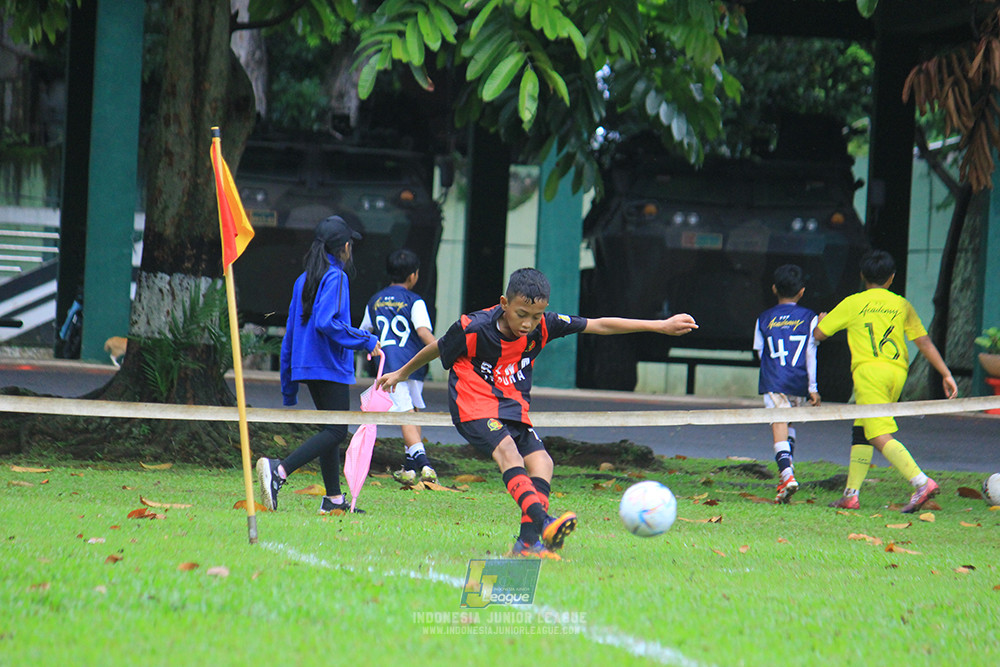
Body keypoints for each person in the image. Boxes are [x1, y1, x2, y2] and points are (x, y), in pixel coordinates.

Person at [376, 268, 698, 560]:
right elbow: (438, 346)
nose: (528, 323)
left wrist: (660, 326)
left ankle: (527, 545)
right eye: (521, 314)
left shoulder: (545, 325)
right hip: (472, 404)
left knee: (543, 462)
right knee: (508, 452)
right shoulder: (472, 327)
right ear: (504, 303)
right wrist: (402, 373)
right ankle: (545, 523)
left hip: (512, 408)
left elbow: (599, 325)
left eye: (536, 315)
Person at [814, 249, 958, 513]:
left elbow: (819, 334)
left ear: (862, 276)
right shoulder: (902, 304)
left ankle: (921, 481)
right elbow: (923, 341)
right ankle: (851, 494)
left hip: (870, 372)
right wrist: (945, 373)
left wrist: (822, 321)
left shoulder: (853, 302)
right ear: (891, 278)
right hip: (896, 372)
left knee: (878, 432)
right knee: (863, 428)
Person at [256, 215, 381, 514]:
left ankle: (334, 500)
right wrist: (365, 339)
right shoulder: (337, 277)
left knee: (330, 429)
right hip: (329, 365)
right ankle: (280, 471)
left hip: (307, 367)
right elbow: (328, 323)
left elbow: (290, 334)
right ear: (344, 247)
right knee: (337, 432)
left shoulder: (303, 279)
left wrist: (289, 385)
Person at [359, 249, 439, 484]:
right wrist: (445, 351)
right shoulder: (415, 301)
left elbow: (365, 332)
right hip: (412, 365)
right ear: (414, 276)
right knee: (408, 413)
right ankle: (424, 464)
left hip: (389, 366)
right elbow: (424, 332)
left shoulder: (374, 300)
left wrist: (371, 346)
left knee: (410, 412)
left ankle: (411, 467)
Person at [752, 264, 821, 504]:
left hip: (774, 378)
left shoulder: (764, 318)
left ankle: (786, 474)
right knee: (788, 423)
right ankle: (787, 475)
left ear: (773, 289)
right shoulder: (810, 317)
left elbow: (761, 352)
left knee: (778, 422)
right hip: (798, 379)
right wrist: (813, 387)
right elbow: (811, 352)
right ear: (802, 291)